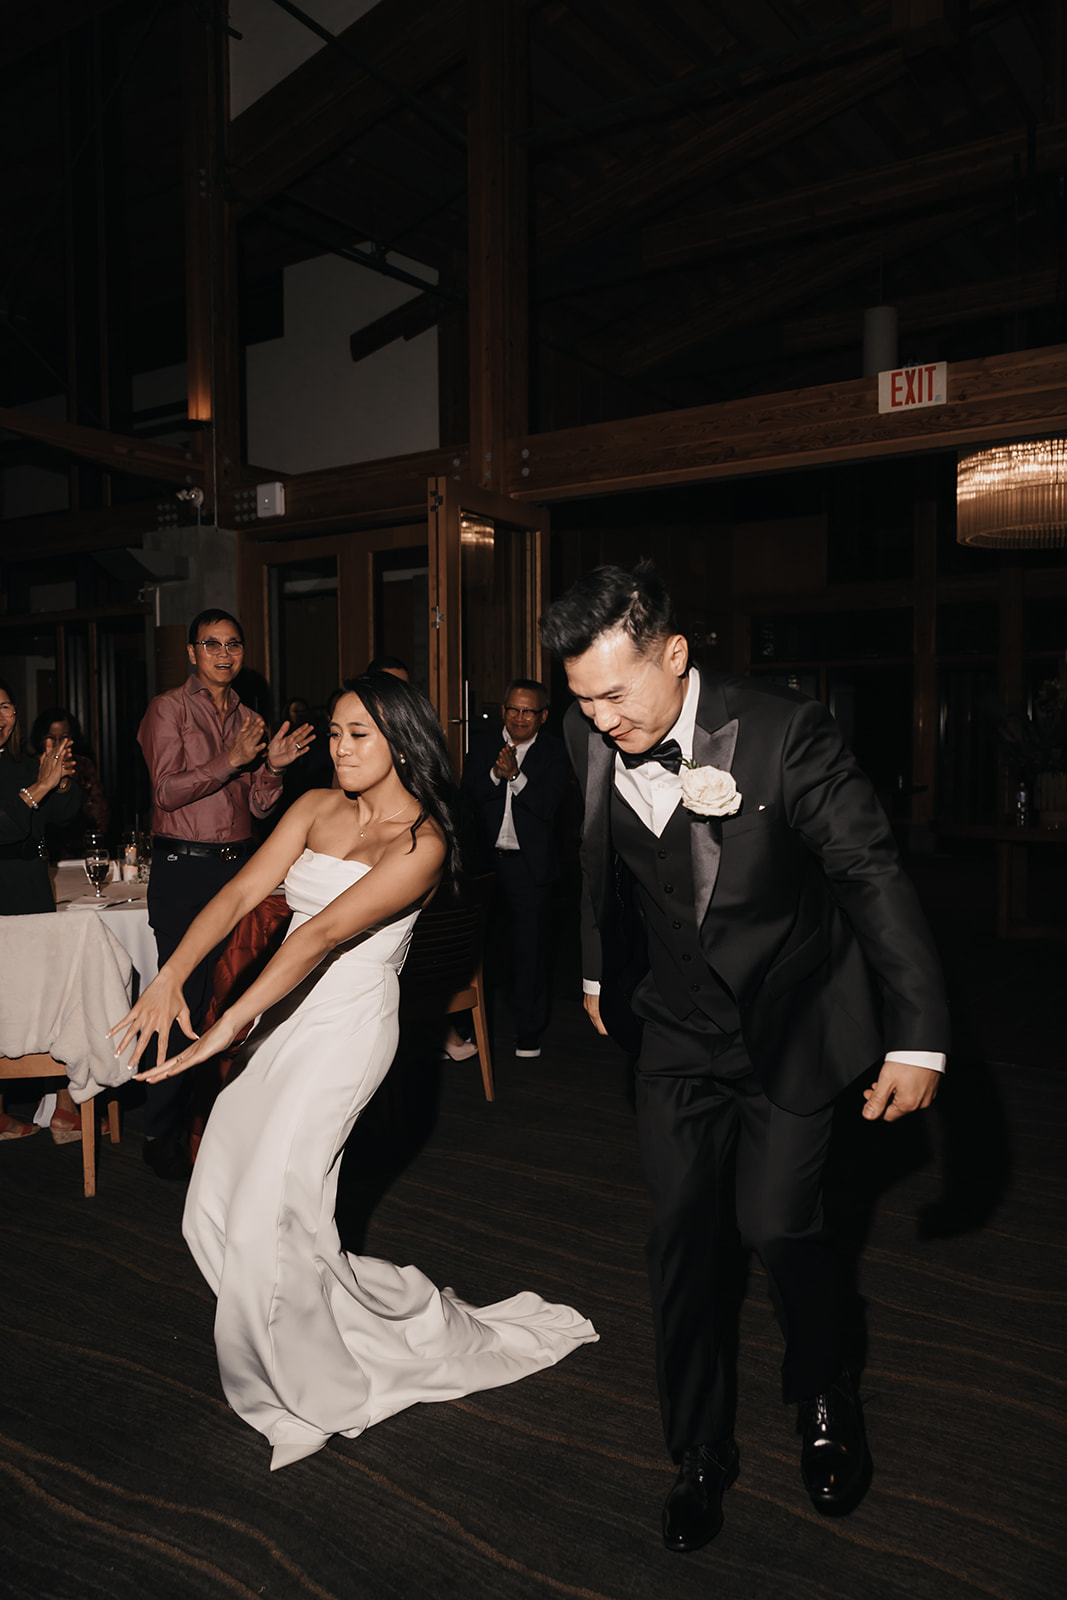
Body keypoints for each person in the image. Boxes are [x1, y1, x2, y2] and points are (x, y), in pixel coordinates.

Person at [539, 562, 949, 1552]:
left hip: (789, 1021)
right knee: (679, 1240)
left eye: (614, 693)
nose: (597, 719)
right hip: (674, 1033)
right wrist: (597, 975)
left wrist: (917, 1030)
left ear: (673, 655)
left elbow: (866, 870)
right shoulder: (583, 731)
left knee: (776, 1226)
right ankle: (698, 1450)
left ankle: (821, 1390)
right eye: (579, 698)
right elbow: (596, 860)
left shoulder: (782, 730)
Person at [109, 673, 597, 1469]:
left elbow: (320, 934)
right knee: (213, 1204)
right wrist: (170, 976)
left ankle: (304, 1390)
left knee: (277, 1209)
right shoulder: (312, 809)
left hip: (343, 1031)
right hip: (282, 1022)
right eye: (333, 733)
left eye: (357, 734)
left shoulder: (424, 843)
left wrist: (229, 1024)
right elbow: (238, 896)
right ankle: (365, 1319)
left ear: (401, 740)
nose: (339, 748)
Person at [136, 608, 314, 1180]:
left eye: (232, 644)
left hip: (238, 871)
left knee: (231, 997)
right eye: (210, 644)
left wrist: (274, 769)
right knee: (180, 993)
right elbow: (166, 792)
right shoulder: (168, 709)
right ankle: (159, 1127)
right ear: (192, 652)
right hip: (184, 870)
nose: (223, 654)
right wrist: (232, 760)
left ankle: (211, 1123)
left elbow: (259, 805)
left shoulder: (251, 716)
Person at [461, 679, 571, 1058]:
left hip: (529, 868)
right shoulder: (481, 744)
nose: (518, 718)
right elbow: (468, 796)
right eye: (512, 709)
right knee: (477, 953)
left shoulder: (555, 752)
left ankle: (528, 1032)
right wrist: (495, 773)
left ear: (542, 715)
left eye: (527, 712)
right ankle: (469, 1031)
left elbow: (548, 807)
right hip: (486, 867)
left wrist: (515, 777)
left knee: (530, 952)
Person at [0, 680, 81, 1140]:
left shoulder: (20, 766)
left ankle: (64, 1100)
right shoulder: (27, 776)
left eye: (7, 705)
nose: (1, 715)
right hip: (2, 889)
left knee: (46, 994)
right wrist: (40, 787)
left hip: (31, 887)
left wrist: (61, 778)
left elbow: (63, 813)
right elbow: (7, 826)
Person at [29, 705, 109, 855]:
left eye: (64, 737)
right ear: (41, 739)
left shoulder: (83, 765)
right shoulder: (32, 767)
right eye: (52, 738)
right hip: (46, 848)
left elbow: (101, 812)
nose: (59, 744)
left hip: (80, 846)